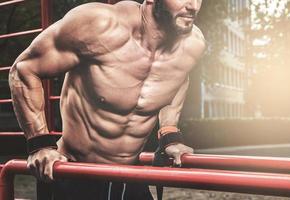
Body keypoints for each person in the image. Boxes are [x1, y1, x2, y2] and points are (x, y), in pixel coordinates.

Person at [9, 0, 205, 199]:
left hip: (131, 176)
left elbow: (178, 79)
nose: (194, 6)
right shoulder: (98, 26)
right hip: (74, 173)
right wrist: (39, 145)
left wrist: (170, 134)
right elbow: (24, 69)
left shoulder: (193, 45)